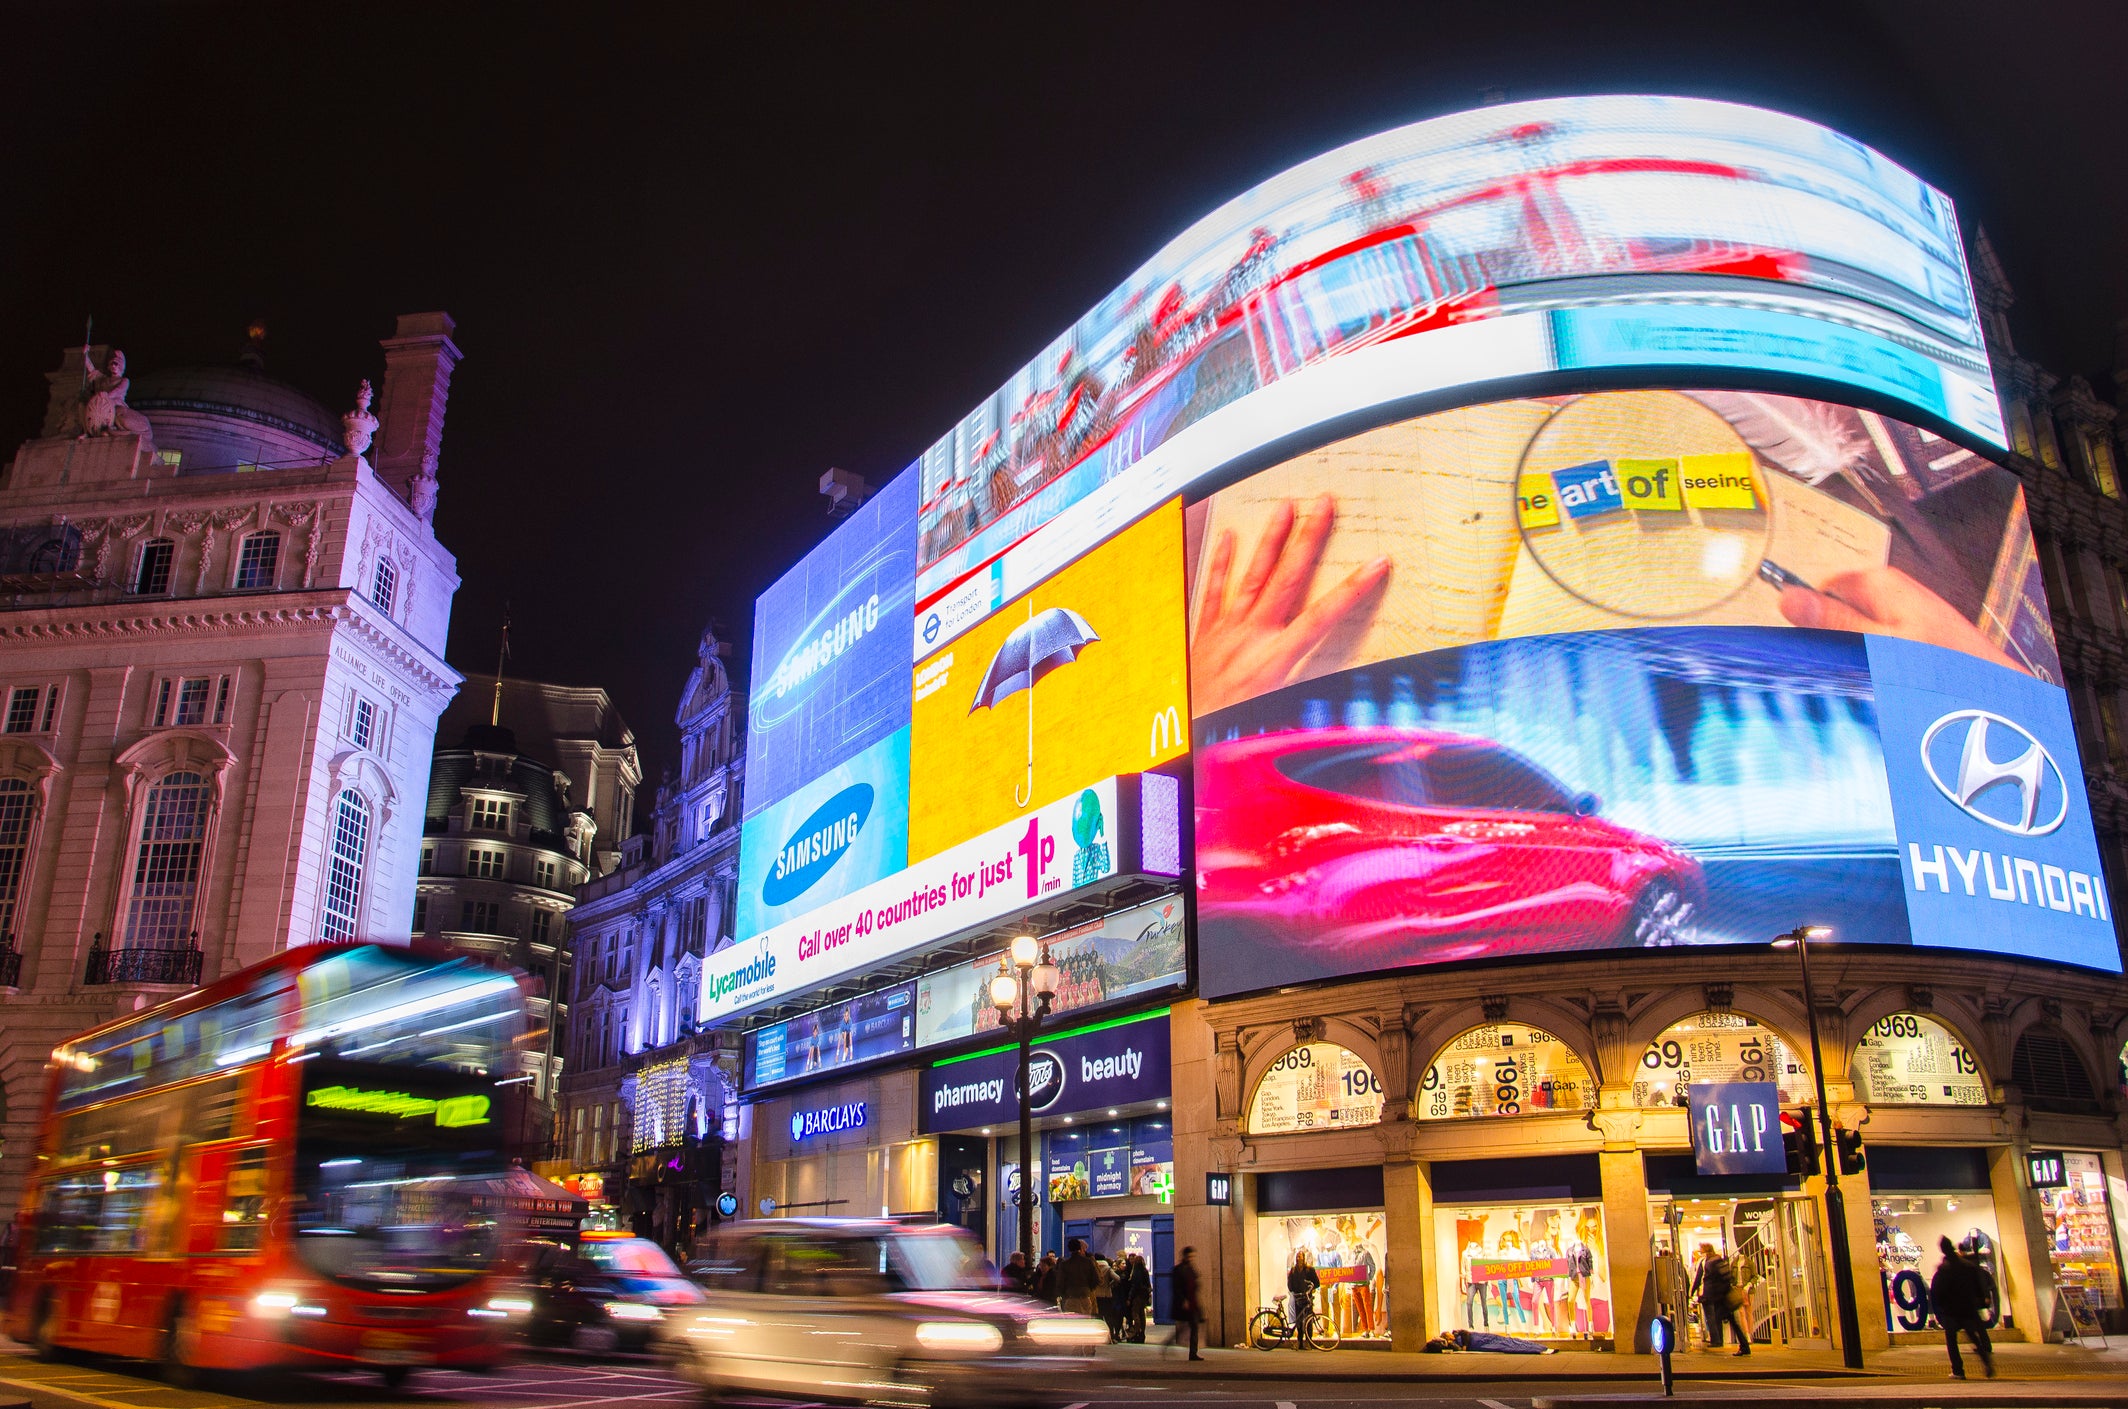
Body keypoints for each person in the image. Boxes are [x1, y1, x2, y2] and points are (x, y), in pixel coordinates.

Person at [1929, 1235, 1996, 1380]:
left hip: (1952, 1310)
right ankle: (1986, 1361)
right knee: (1973, 1336)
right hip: (1968, 1307)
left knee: (1952, 1340)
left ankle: (1958, 1370)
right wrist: (1979, 1299)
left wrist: (1941, 1308)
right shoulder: (1967, 1265)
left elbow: (1938, 1291)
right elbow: (1977, 1283)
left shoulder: (1944, 1268)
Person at [1690, 1243, 1749, 1356]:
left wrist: (1698, 1294)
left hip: (1718, 1297)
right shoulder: (1719, 1260)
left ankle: (1727, 1342)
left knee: (1718, 1319)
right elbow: (1727, 1277)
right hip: (1722, 1295)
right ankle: (1741, 1345)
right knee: (1728, 1320)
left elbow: (1706, 1281)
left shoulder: (1709, 1263)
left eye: (1701, 1250)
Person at [1172, 1247, 1206, 1360]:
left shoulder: (1191, 1268)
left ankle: (1193, 1353)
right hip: (1186, 1303)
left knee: (1194, 1326)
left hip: (1193, 1302)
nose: (1191, 1258)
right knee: (1187, 1327)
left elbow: (1196, 1281)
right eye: (1190, 1256)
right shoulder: (1179, 1269)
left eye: (1193, 1256)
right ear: (1185, 1256)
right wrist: (1183, 1300)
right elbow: (1176, 1288)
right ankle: (1169, 1342)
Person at [1287, 1249, 1322, 1348]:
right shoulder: (1293, 1271)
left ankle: (1308, 1341)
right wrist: (1293, 1291)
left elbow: (1316, 1283)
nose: (1299, 1258)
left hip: (1307, 1298)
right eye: (1297, 1257)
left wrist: (1310, 1289)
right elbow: (1290, 1284)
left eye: (1300, 1256)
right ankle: (1299, 1341)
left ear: (1304, 1258)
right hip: (1298, 1298)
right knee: (1299, 1320)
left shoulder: (1309, 1270)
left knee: (1308, 1320)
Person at [1057, 1239, 1099, 1316]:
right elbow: (1096, 1279)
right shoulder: (1088, 1262)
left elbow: (1060, 1282)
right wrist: (1089, 1288)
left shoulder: (1065, 1264)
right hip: (1085, 1296)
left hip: (1070, 1297)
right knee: (1086, 1322)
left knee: (1072, 1323)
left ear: (1069, 1249)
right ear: (1080, 1248)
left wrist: (1064, 1293)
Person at [1121, 1252, 1153, 1343]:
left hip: (1137, 1296)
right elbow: (1148, 1285)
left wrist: (1129, 1298)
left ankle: (1136, 1332)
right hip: (1143, 1296)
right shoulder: (1145, 1271)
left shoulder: (1135, 1272)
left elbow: (1134, 1286)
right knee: (1142, 1315)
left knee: (1135, 1314)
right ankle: (1142, 1332)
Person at [1094, 1254, 1121, 1341]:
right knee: (1109, 1317)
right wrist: (1110, 1284)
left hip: (1096, 1296)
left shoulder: (1093, 1268)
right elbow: (1118, 1278)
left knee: (1098, 1317)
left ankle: (1099, 1336)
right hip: (1106, 1296)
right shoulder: (1107, 1268)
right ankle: (1111, 1336)